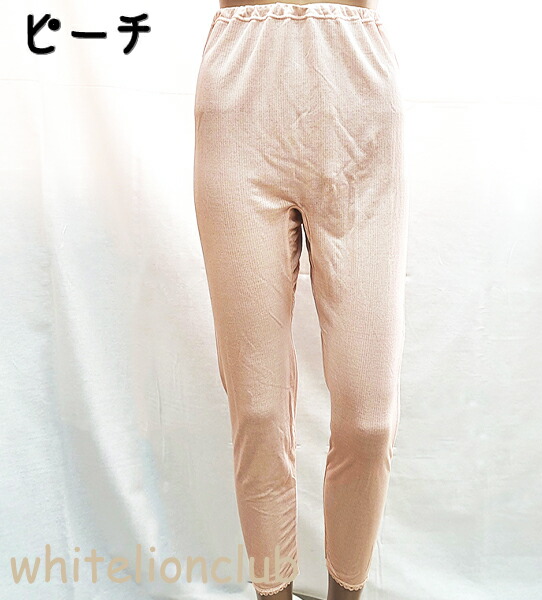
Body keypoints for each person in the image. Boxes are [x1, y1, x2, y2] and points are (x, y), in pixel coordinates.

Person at [193, 1, 407, 598]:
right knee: (259, 411)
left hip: (358, 89)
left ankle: (346, 593)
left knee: (369, 419)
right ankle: (273, 593)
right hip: (240, 90)